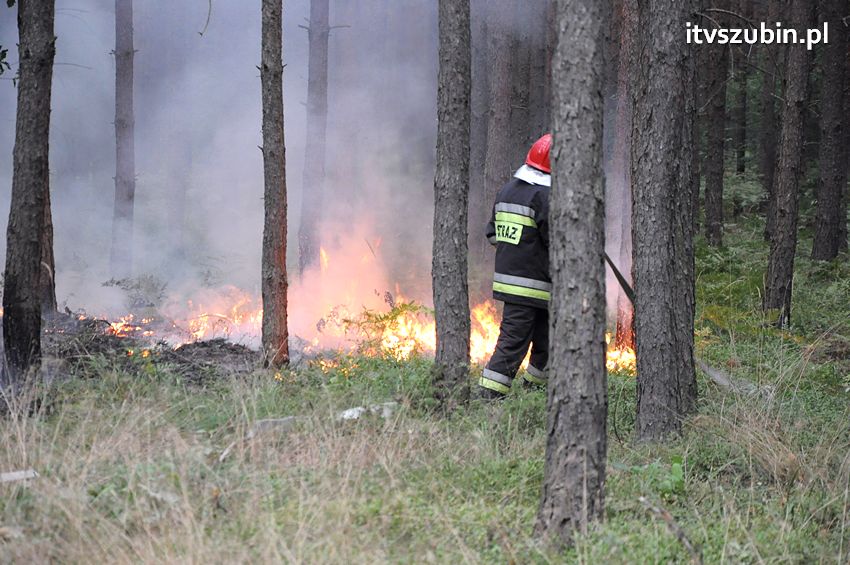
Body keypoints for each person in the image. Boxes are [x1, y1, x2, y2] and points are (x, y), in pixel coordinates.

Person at [479, 133, 552, 399]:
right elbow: (557, 242)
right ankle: (489, 396)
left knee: (546, 341)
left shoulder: (508, 190)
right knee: (513, 344)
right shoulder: (545, 196)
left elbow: (492, 234)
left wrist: (517, 252)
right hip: (536, 285)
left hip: (515, 283)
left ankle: (535, 393)